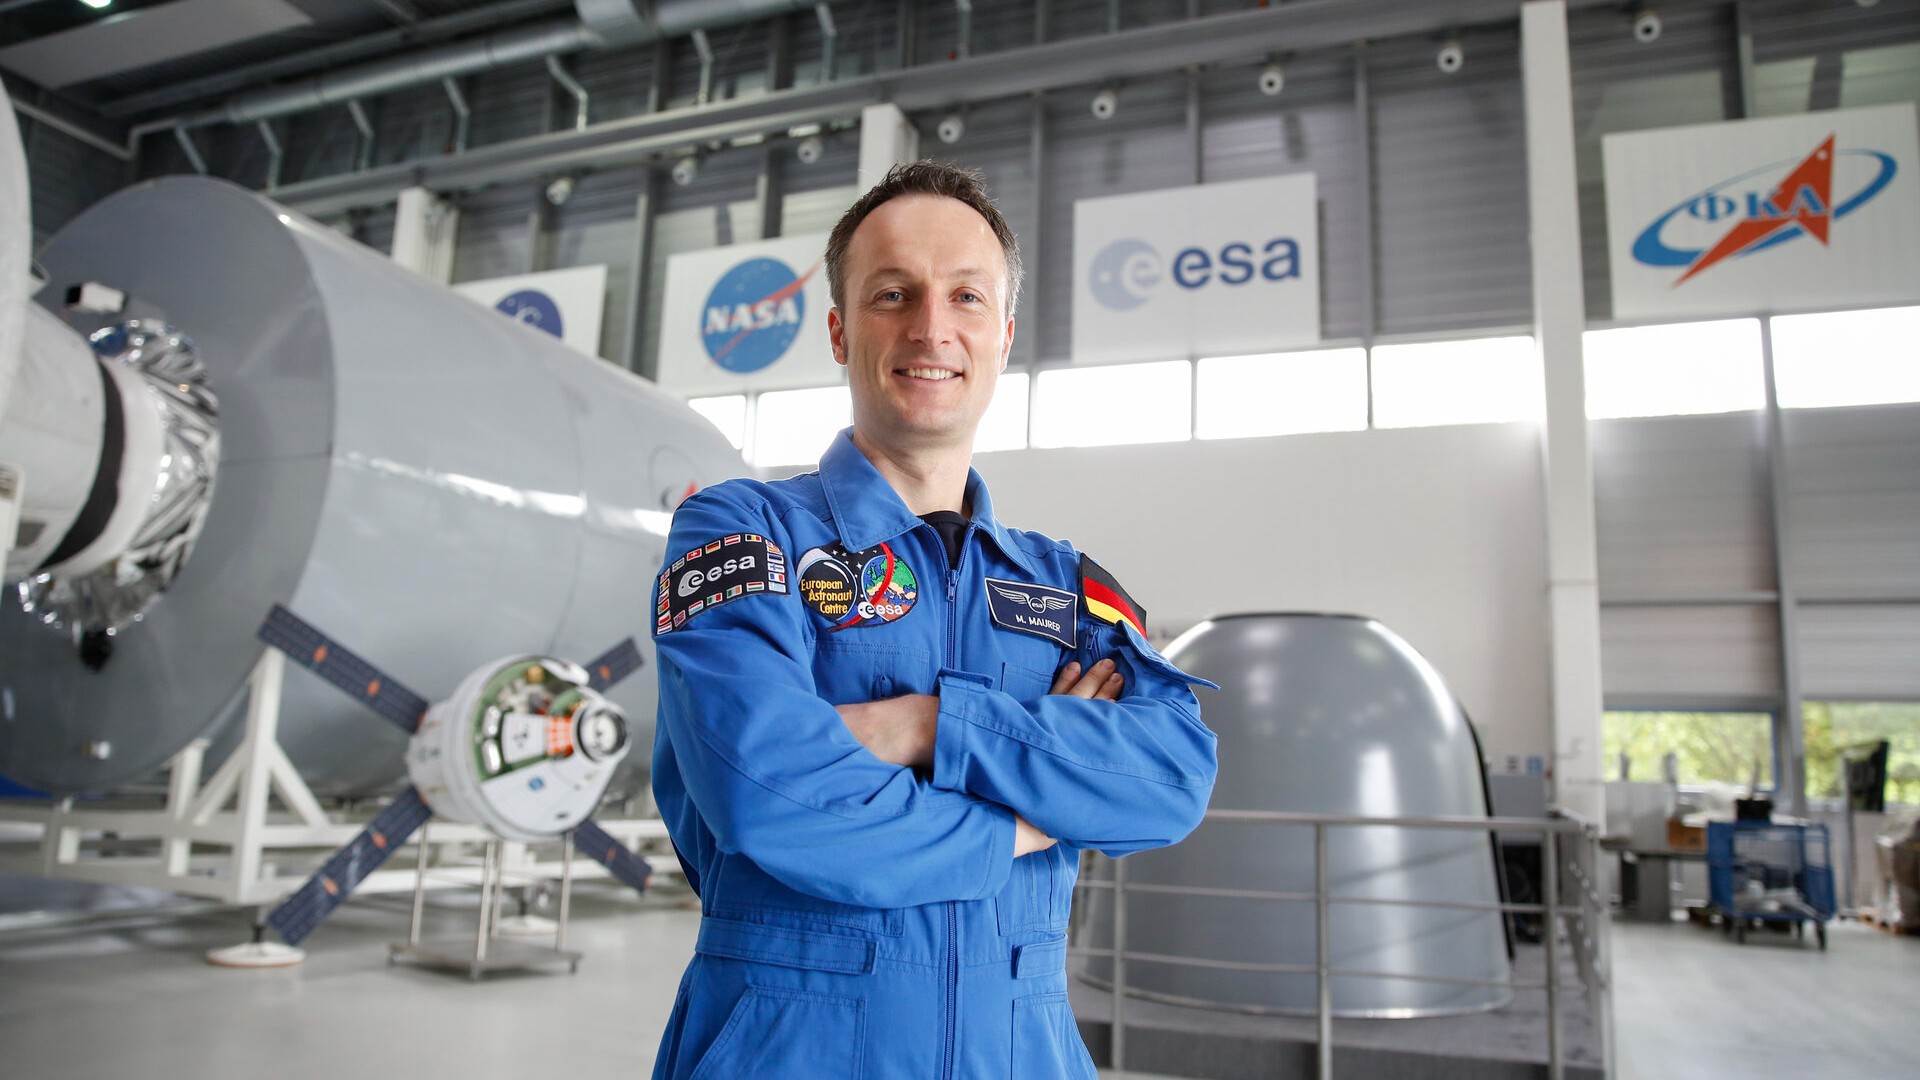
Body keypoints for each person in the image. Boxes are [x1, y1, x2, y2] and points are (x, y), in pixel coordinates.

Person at [648, 161, 1218, 1079]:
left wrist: (929, 723)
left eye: (965, 296)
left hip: (1023, 1051)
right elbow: (766, 792)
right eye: (892, 294)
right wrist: (1031, 819)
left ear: (1003, 334)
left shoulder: (1066, 585)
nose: (931, 327)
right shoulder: (740, 530)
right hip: (791, 1050)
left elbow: (1171, 779)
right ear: (839, 330)